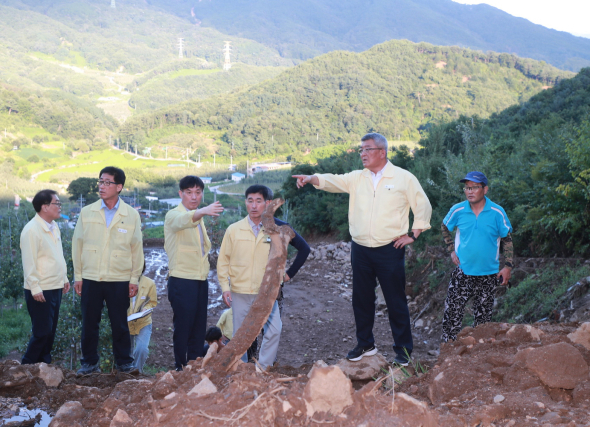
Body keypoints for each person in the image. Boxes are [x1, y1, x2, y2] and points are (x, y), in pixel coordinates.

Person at [293, 132, 432, 366]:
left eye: (367, 149)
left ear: (382, 152)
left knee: (395, 300)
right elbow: (333, 181)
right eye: (361, 150)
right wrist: (311, 177)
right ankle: (365, 344)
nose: (363, 154)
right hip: (360, 249)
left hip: (390, 248)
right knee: (361, 299)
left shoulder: (403, 178)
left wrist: (414, 234)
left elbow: (423, 204)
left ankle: (403, 351)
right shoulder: (358, 178)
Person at [217, 185, 310, 370]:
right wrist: (225, 288)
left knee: (274, 330)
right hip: (240, 291)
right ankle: (241, 370)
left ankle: (263, 369)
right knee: (240, 335)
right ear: (245, 202)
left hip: (267, 293)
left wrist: (288, 274)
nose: (254, 206)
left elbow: (304, 249)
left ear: (268, 204)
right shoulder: (234, 230)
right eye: (250, 201)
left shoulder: (278, 228)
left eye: (259, 201)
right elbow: (223, 261)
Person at [72, 166, 143, 375]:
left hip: (119, 278)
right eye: (100, 182)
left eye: (107, 182)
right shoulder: (87, 212)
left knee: (120, 323)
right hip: (91, 277)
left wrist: (134, 279)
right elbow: (78, 245)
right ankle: (89, 364)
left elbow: (136, 248)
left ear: (119, 187)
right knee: (89, 323)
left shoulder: (131, 215)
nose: (102, 186)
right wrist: (78, 275)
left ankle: (124, 364)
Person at [441, 171, 513, 342]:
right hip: (463, 272)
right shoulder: (458, 210)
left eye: (474, 187)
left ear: (485, 189)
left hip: (488, 275)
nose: (470, 191)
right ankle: (447, 354)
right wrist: (451, 249)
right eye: (467, 187)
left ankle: (479, 357)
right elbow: (444, 226)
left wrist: (508, 266)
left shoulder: (497, 212)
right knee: (452, 315)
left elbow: (507, 239)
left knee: (483, 321)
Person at [165, 175, 224, 371]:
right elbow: (182, 221)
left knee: (198, 327)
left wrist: (200, 214)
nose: (194, 196)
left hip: (200, 280)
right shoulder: (174, 215)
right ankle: (181, 368)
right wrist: (202, 211)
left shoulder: (199, 219)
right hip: (182, 280)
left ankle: (196, 365)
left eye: (198, 192)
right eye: (189, 192)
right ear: (180, 194)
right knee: (183, 327)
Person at [20, 190, 70, 365]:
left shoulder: (54, 227)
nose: (59, 207)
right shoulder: (31, 230)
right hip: (41, 289)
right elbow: (29, 263)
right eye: (56, 203)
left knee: (50, 331)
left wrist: (64, 277)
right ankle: (26, 366)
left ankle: (43, 365)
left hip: (54, 286)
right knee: (42, 332)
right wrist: (35, 288)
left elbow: (58, 254)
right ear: (44, 207)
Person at [128, 263, 158, 373]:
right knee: (126, 352)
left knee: (142, 349)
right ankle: (125, 373)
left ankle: (136, 372)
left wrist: (146, 308)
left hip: (143, 322)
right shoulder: (120, 283)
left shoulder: (149, 283)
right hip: (125, 323)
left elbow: (152, 302)